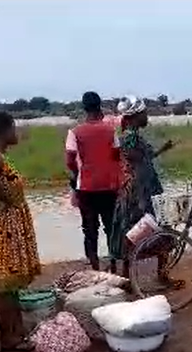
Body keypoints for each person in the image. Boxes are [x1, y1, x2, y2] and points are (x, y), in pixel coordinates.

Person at [0, 111, 42, 352]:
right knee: (3, 286)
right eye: (13, 128)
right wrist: (8, 199)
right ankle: (10, 338)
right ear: (3, 132)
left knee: (7, 285)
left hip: (3, 227)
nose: (16, 133)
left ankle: (14, 331)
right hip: (2, 229)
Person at [107, 96, 181, 287]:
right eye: (144, 113)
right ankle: (158, 276)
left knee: (133, 234)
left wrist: (162, 149)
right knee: (155, 230)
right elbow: (136, 163)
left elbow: (141, 159)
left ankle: (128, 280)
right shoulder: (130, 137)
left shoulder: (129, 135)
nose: (147, 116)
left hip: (137, 191)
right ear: (135, 116)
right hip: (141, 193)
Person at [65, 91, 123, 272]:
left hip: (86, 188)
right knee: (110, 228)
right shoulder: (110, 130)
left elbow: (70, 161)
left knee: (90, 230)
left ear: (84, 108)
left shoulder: (74, 132)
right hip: (109, 187)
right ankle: (114, 265)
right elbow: (116, 155)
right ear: (100, 106)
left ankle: (95, 268)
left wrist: (79, 174)